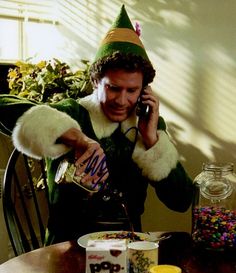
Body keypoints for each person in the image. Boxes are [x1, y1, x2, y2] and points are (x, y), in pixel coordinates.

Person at [0, 5, 195, 245]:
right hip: (66, 248)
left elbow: (182, 200)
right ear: (95, 82)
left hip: (128, 247)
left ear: (144, 90)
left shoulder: (147, 124)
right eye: (113, 88)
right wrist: (77, 138)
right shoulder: (72, 113)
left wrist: (152, 139)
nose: (122, 101)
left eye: (132, 90)